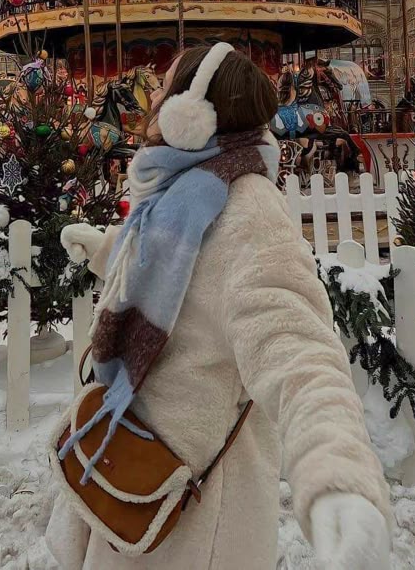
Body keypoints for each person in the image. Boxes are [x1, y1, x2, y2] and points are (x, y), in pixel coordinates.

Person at [48, 43, 391, 570]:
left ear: (192, 114)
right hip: (134, 464)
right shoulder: (188, 192)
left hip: (188, 513)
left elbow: (296, 346)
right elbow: (173, 267)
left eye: (164, 87)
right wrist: (105, 248)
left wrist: (335, 473)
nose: (154, 96)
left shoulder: (248, 210)